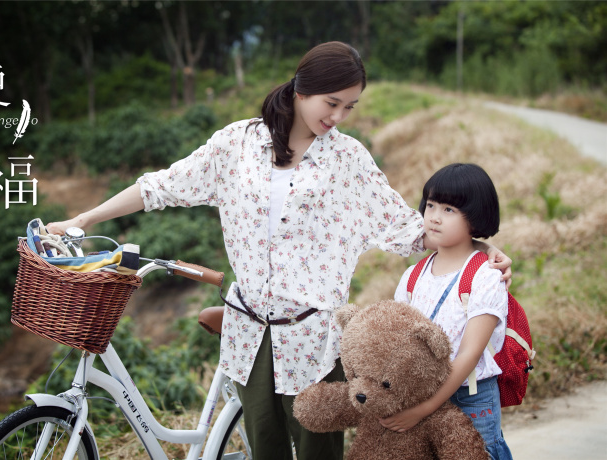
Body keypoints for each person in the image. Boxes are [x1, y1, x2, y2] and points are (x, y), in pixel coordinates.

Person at [47, 42, 511, 460]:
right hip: (248, 335)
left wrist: (480, 248)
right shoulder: (237, 143)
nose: (338, 117)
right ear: (302, 89)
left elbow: (410, 229)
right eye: (332, 103)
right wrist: (84, 219)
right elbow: (160, 187)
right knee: (263, 447)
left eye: (349, 107)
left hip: (314, 339)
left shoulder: (347, 158)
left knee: (318, 451)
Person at [381, 163, 514, 460]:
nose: (435, 217)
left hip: (471, 397)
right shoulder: (413, 276)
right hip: (419, 392)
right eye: (430, 205)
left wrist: (424, 410)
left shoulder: (485, 275)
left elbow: (469, 355)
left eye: (449, 210)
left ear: (476, 217)